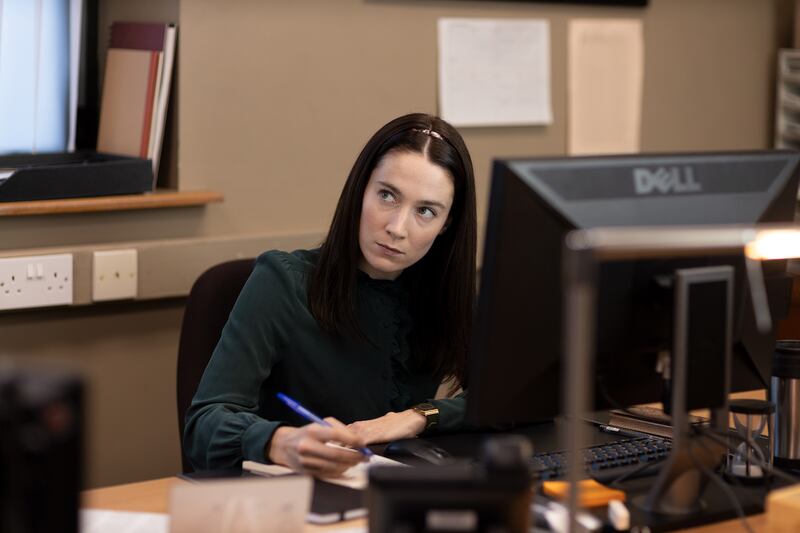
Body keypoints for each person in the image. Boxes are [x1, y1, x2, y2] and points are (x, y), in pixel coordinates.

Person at [184, 113, 477, 477]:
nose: (397, 228)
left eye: (425, 211)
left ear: (446, 224)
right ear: (360, 190)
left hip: (393, 496)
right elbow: (202, 425)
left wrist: (418, 417)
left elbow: (509, 402)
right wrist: (278, 441)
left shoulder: (442, 294)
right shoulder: (282, 282)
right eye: (387, 195)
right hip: (291, 501)